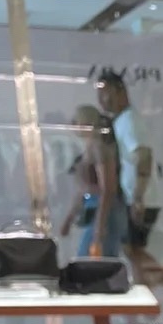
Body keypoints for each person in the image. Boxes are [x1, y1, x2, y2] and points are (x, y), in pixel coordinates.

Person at [96, 68, 163, 316]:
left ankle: (159, 298)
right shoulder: (122, 121)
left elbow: (144, 156)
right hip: (136, 197)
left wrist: (138, 196)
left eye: (106, 93)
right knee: (133, 250)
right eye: (100, 94)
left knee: (134, 250)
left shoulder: (129, 121)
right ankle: (160, 297)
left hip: (142, 198)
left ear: (120, 91)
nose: (102, 100)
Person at [58, 105, 125, 258]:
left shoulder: (99, 148)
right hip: (95, 210)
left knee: (92, 259)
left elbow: (108, 189)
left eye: (77, 121)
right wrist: (70, 218)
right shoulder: (91, 148)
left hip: (103, 211)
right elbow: (85, 190)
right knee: (92, 258)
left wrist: (99, 227)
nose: (73, 125)